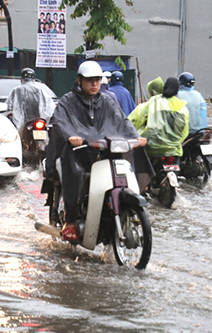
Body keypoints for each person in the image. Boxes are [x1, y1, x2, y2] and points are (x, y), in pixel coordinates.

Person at [45, 61, 147, 241]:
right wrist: (71, 136)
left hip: (103, 150)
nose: (94, 84)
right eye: (90, 80)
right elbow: (59, 122)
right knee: (75, 172)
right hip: (79, 152)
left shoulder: (107, 101)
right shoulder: (68, 101)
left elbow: (122, 122)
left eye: (98, 80)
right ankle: (71, 219)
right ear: (79, 80)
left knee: (131, 160)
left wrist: (135, 137)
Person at [129, 77, 189, 162]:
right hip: (174, 150)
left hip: (151, 149)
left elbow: (134, 120)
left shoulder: (154, 102)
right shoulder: (183, 108)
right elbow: (184, 132)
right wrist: (175, 143)